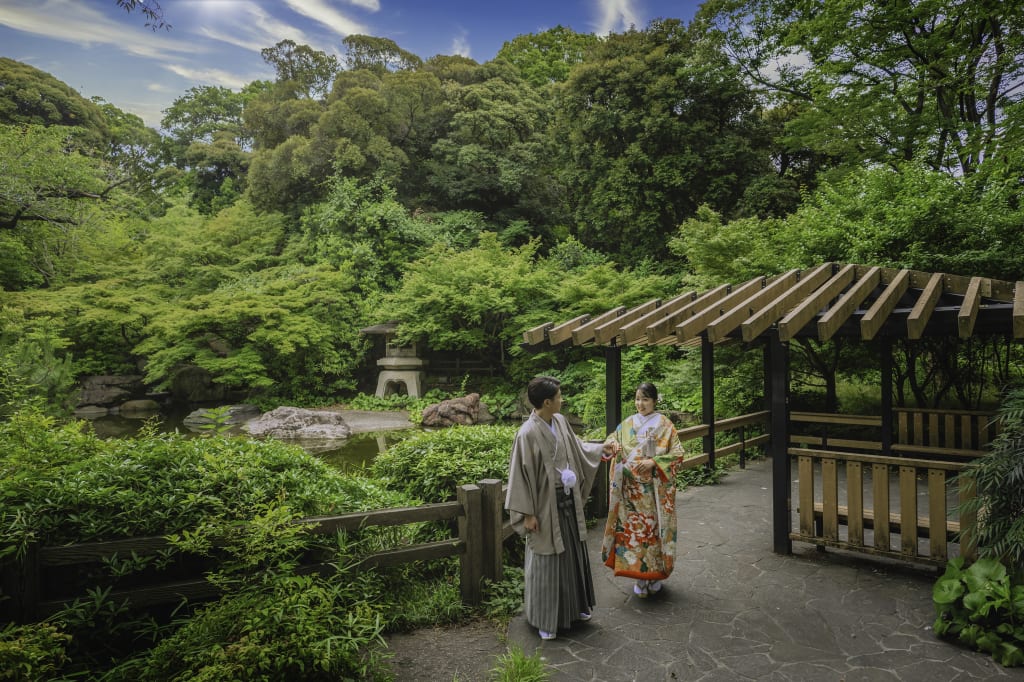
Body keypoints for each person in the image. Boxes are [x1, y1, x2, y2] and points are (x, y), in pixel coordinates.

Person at [505, 375, 613, 641]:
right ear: (547, 402)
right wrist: (528, 513)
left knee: (573, 555)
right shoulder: (527, 433)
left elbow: (578, 449)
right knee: (547, 561)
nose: (562, 400)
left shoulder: (561, 421)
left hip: (566, 502)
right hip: (543, 506)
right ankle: (546, 619)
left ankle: (576, 609)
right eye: (559, 397)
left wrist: (601, 450)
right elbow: (519, 475)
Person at [601, 381, 687, 598]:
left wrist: (654, 463)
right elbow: (611, 440)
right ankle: (640, 577)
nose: (640, 403)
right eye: (638, 399)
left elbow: (678, 454)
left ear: (654, 401)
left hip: (654, 492)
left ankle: (656, 574)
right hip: (631, 492)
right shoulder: (628, 423)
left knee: (654, 533)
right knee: (633, 535)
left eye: (645, 399)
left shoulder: (665, 425)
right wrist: (614, 446)